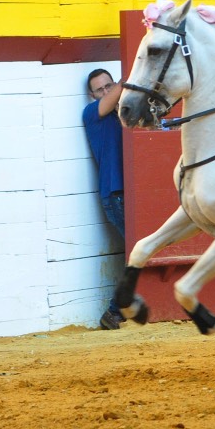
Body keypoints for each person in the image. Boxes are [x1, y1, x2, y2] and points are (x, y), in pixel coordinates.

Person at [82, 68, 127, 330]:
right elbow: (119, 92)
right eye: (100, 90)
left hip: (125, 193)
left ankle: (117, 312)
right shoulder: (92, 114)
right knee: (138, 255)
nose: (106, 92)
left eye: (108, 86)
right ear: (92, 95)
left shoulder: (124, 111)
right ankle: (113, 312)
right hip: (116, 195)